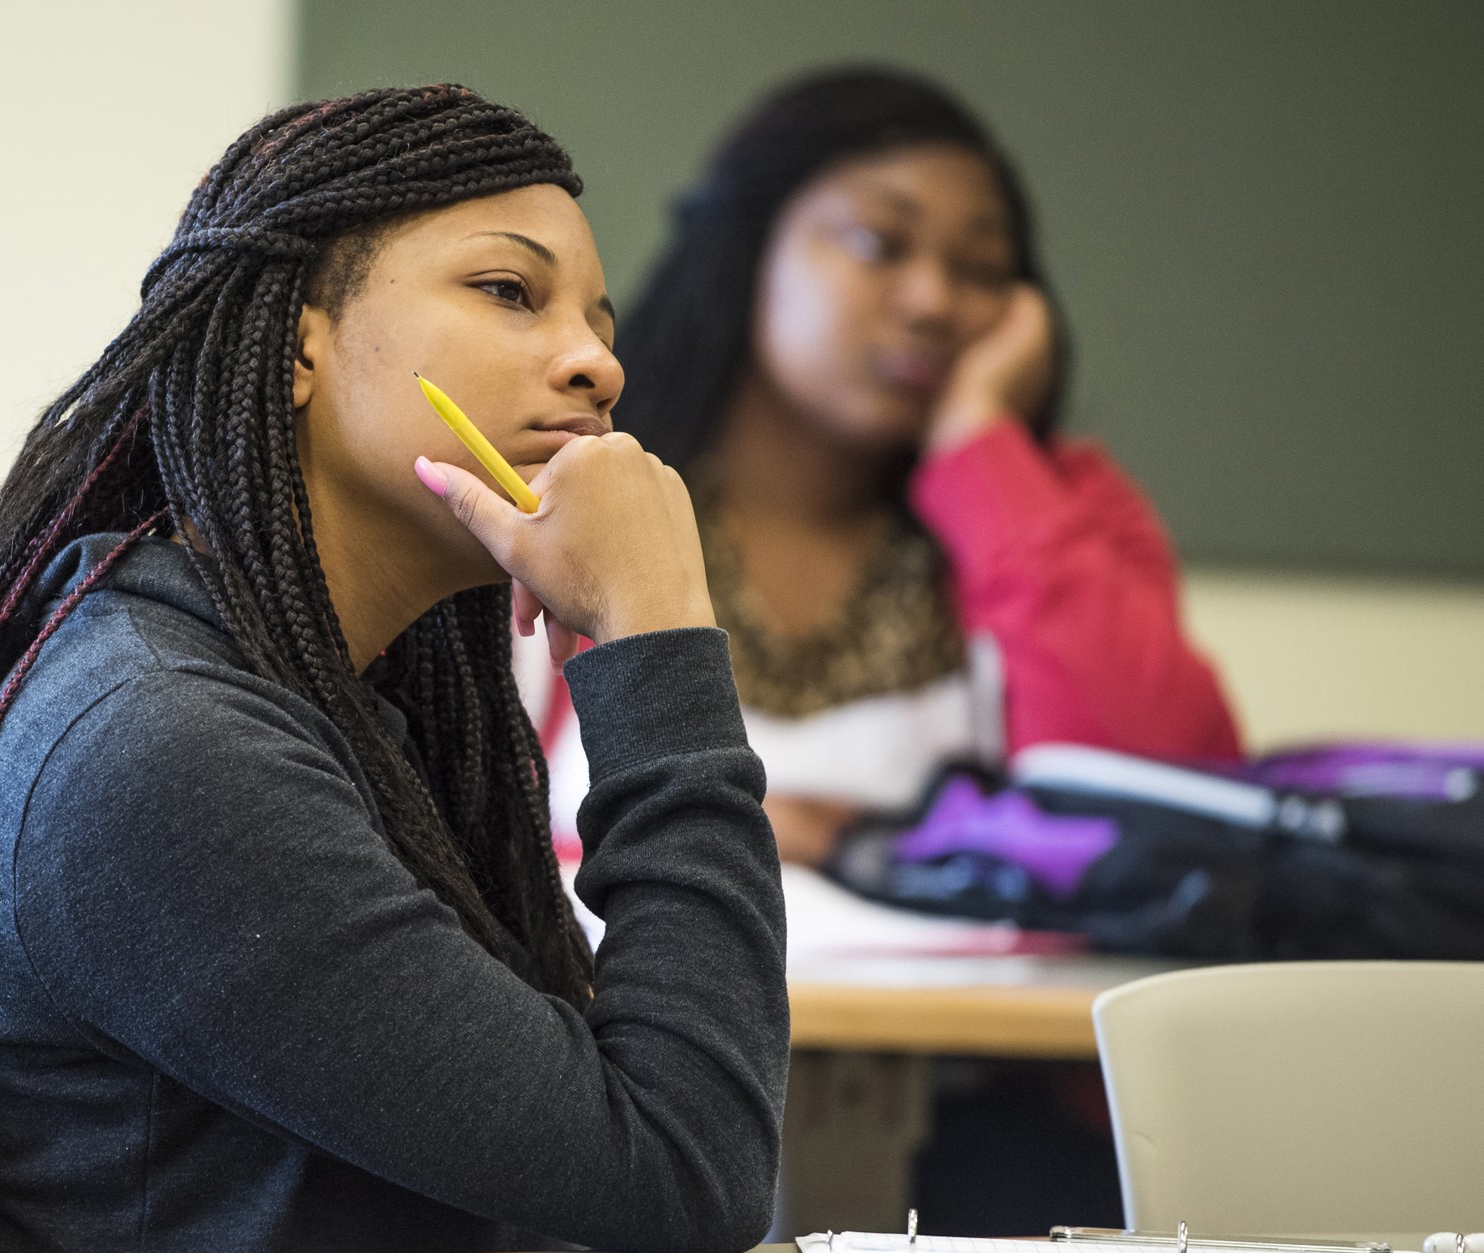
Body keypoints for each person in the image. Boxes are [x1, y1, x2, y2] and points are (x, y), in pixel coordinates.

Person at [0, 86, 787, 1253]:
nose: (596, 365)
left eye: (599, 321)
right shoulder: (162, 742)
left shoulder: (340, 701)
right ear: (299, 342)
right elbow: (688, 1166)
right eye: (510, 291)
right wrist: (656, 635)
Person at [523, 67, 1242, 872]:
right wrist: (719, 832)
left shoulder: (1057, 507)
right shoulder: (561, 484)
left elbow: (1160, 814)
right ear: (749, 249)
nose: (935, 300)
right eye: (880, 244)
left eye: (979, 269)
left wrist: (982, 453)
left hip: (980, 1001)